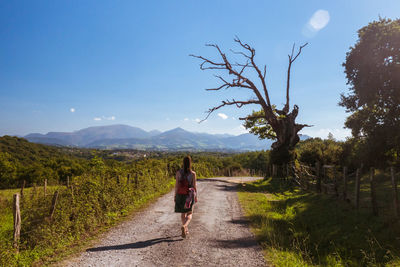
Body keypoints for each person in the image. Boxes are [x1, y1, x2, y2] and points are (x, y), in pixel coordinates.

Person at [174, 155, 197, 238]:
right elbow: (194, 186)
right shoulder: (193, 174)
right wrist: (195, 196)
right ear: (190, 163)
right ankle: (185, 226)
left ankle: (185, 228)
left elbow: (176, 185)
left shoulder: (178, 173)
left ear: (183, 163)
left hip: (180, 194)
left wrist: (175, 195)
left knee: (183, 213)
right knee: (190, 213)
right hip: (189, 195)